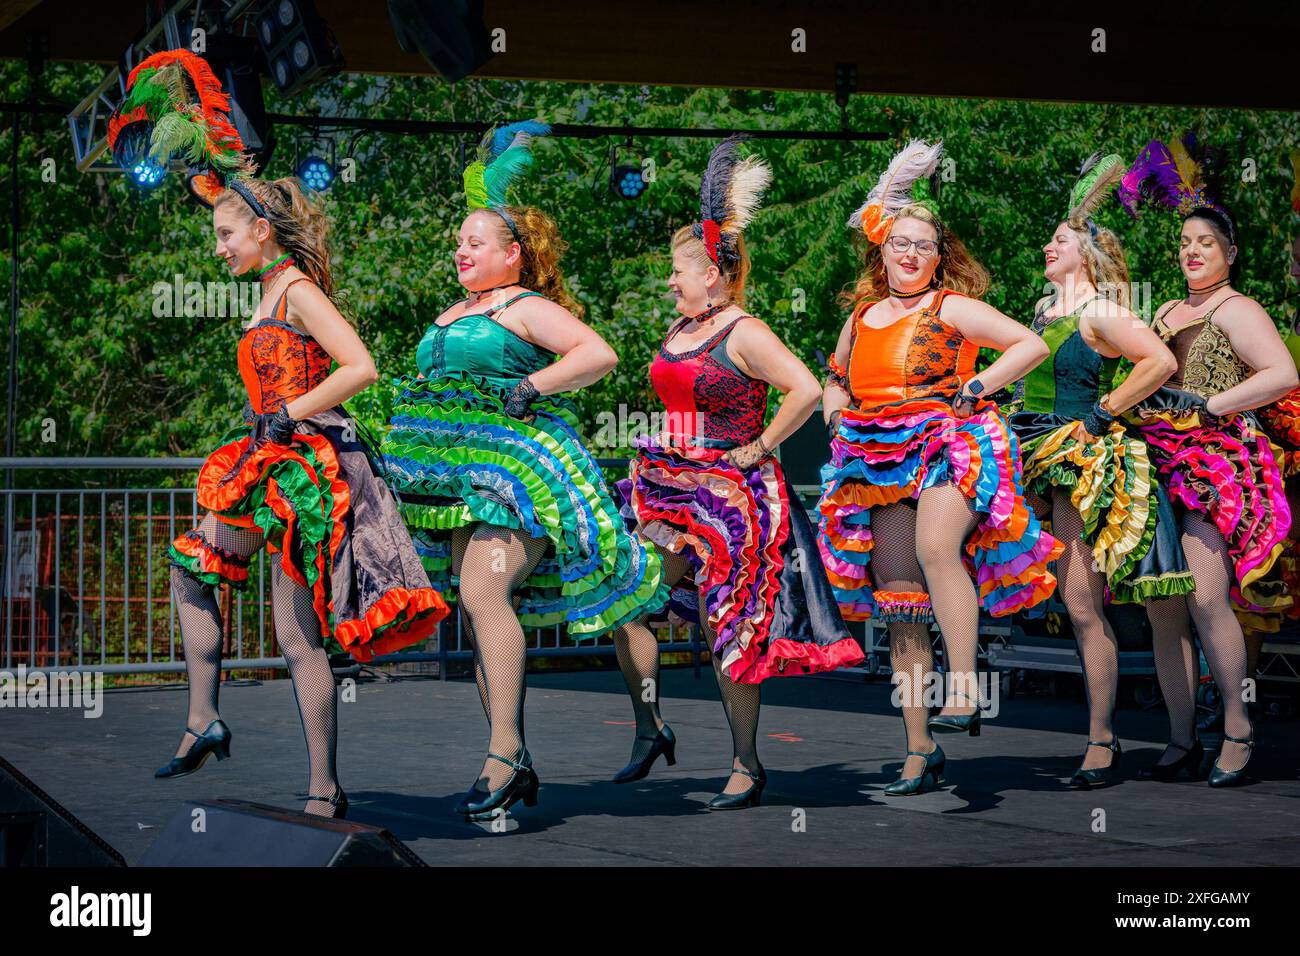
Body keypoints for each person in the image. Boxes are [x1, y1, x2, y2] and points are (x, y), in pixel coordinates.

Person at [112, 50, 448, 819]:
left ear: (263, 230)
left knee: (298, 640)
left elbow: (359, 365)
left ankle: (324, 788)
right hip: (264, 459)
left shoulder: (294, 289)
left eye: (227, 234)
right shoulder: (265, 295)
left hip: (308, 471)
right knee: (192, 568)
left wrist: (294, 414)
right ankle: (204, 717)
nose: (218, 247)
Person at [381, 123, 669, 820]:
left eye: (474, 242)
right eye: (458, 242)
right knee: (480, 613)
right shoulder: (453, 312)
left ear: (512, 255)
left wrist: (535, 388)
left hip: (518, 474)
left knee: (485, 595)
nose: (460, 250)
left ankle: (507, 756)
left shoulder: (523, 306)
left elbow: (597, 355)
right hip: (459, 483)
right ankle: (512, 756)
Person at [611, 136, 865, 809]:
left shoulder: (744, 330)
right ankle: (649, 724)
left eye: (679, 271)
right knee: (626, 597)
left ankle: (747, 764)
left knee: (729, 627)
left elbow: (806, 389)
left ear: (714, 275)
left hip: (733, 496)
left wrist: (759, 449)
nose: (671, 280)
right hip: (671, 488)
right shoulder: (680, 328)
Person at [819, 139, 1061, 796]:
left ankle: (963, 689)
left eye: (923, 245)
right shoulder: (862, 316)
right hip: (876, 457)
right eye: (900, 242)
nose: (910, 253)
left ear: (938, 257)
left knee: (934, 546)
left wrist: (978, 389)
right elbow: (834, 378)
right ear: (882, 250)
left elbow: (1029, 344)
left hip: (945, 445)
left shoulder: (949, 307)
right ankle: (920, 749)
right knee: (900, 602)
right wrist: (835, 414)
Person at [1008, 153, 1192, 788]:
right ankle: (1104, 738)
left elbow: (1160, 363)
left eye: (1058, 239)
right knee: (1078, 603)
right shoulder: (1042, 312)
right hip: (1047, 467)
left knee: (1128, 607)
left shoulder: (1101, 312)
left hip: (1098, 465)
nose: (1046, 246)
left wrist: (1103, 412)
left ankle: (1155, 740)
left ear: (1083, 254)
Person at [1119, 135, 1297, 786]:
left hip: (1215, 465)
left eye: (1206, 243)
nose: (1193, 251)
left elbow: (1282, 372)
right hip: (1155, 461)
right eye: (1186, 243)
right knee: (1162, 607)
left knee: (1205, 597)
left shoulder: (1237, 308)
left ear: (1229, 253)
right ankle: (1178, 738)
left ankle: (1239, 730)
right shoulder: (1163, 312)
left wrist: (1214, 406)